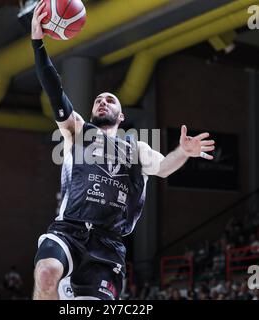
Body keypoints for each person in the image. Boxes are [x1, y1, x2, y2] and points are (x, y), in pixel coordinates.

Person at [31, 0, 215, 300]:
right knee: (46, 272)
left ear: (121, 116)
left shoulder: (137, 148)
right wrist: (37, 43)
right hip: (70, 231)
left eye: (110, 100)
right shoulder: (78, 131)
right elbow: (55, 92)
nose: (103, 102)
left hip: (108, 245)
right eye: (98, 100)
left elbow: (165, 167)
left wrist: (183, 151)